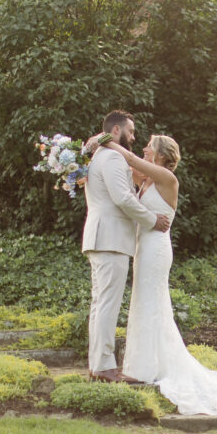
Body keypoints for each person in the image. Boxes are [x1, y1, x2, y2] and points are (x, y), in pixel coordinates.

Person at [95, 133, 217, 415]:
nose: (144, 148)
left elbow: (130, 159)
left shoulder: (165, 178)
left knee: (152, 303)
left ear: (160, 155)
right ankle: (142, 366)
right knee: (143, 303)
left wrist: (103, 141)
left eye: (150, 145)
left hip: (156, 249)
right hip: (143, 248)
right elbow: (119, 174)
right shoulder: (147, 180)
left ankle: (146, 368)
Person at [82, 110, 170, 383]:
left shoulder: (101, 155)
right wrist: (152, 219)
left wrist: (94, 141)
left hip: (103, 237)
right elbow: (122, 198)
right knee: (106, 304)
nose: (134, 137)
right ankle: (105, 366)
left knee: (101, 304)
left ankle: (98, 364)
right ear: (117, 131)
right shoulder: (112, 158)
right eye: (131, 132)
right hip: (110, 238)